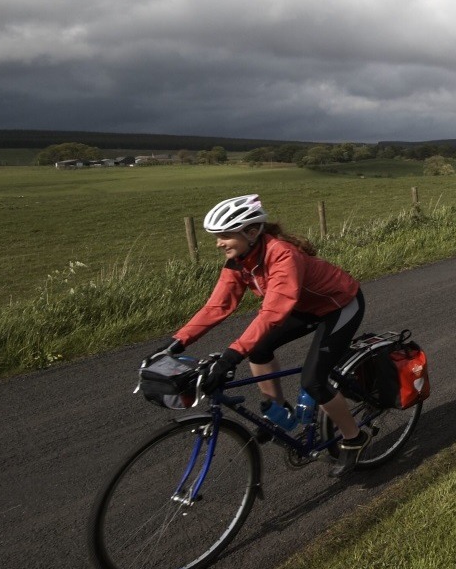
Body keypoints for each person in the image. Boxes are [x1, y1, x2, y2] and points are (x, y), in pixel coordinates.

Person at [145, 194, 370, 477]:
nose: (219, 243)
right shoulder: (240, 260)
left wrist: (230, 357)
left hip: (339, 305)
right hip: (302, 306)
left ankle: (354, 439)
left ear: (252, 232)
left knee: (313, 380)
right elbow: (218, 306)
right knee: (258, 350)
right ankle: (278, 411)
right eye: (217, 236)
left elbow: (273, 312)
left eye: (225, 235)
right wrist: (175, 344)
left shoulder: (283, 255)